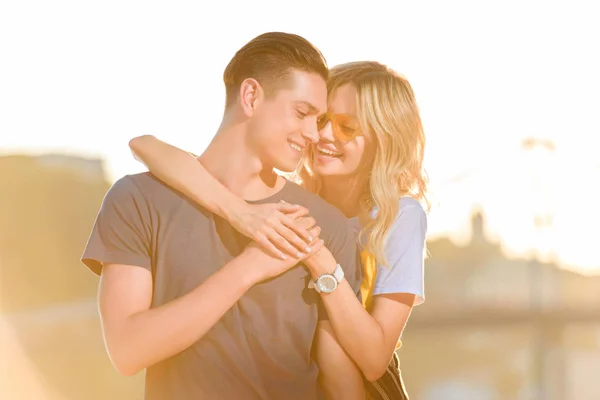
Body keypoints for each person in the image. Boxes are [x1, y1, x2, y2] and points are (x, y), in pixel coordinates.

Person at [82, 32, 364, 400]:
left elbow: (338, 375)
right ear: (251, 97)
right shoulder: (138, 200)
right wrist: (248, 268)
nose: (314, 134)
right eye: (302, 112)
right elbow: (127, 351)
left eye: (319, 118)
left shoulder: (325, 225)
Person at [129, 60, 429, 399]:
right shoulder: (286, 197)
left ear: (383, 139)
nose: (324, 135)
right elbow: (145, 145)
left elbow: (374, 360)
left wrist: (319, 260)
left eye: (348, 127)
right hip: (290, 380)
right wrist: (240, 212)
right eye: (320, 119)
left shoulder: (399, 216)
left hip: (363, 387)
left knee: (328, 339)